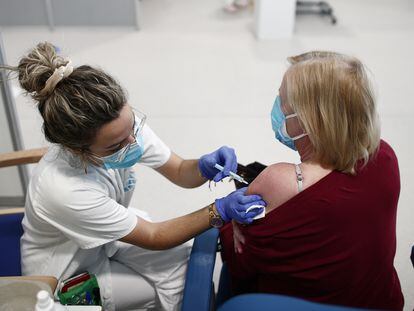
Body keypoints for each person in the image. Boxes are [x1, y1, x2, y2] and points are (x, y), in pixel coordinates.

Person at [1, 42, 266, 311]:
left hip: (108, 239)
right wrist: (219, 209)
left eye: (132, 127)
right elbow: (154, 236)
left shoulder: (120, 126)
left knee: (184, 262)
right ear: (77, 150)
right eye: (116, 146)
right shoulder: (64, 189)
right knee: (183, 281)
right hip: (67, 271)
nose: (133, 142)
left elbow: (178, 170)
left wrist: (203, 167)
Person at [220, 51, 404, 310]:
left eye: (283, 101)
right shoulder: (384, 155)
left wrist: (228, 220)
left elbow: (240, 260)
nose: (276, 107)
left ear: (310, 120)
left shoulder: (281, 181)